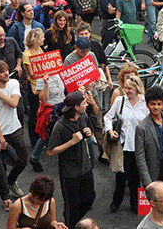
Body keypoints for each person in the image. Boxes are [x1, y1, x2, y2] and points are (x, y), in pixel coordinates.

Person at [46, 92, 96, 229]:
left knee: (89, 198)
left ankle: (75, 221)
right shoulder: (60, 126)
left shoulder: (84, 117)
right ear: (76, 107)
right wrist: (72, 142)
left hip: (85, 167)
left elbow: (91, 131)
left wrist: (88, 132)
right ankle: (71, 224)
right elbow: (50, 151)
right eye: (84, 103)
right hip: (69, 173)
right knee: (71, 209)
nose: (87, 104)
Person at [103, 75, 148, 213]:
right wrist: (110, 131)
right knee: (121, 176)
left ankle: (135, 203)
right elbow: (108, 117)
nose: (126, 91)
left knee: (136, 177)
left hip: (139, 147)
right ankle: (116, 201)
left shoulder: (146, 103)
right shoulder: (120, 101)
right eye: (125, 88)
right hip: (123, 145)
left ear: (137, 89)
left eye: (130, 88)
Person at [0, 60, 26, 197]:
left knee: (22, 161)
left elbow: (14, 103)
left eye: (6, 70)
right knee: (0, 169)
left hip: (15, 129)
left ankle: (11, 181)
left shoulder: (13, 84)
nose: (6, 73)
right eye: (2, 72)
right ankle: (5, 196)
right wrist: (1, 140)